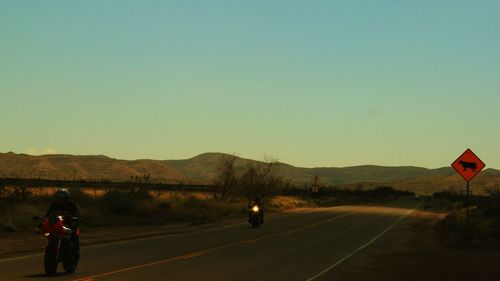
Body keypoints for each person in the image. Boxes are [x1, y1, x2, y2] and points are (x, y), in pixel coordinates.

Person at [45, 188, 80, 259]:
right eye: (59, 198)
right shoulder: (54, 204)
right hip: (57, 223)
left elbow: (76, 213)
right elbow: (48, 214)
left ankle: (75, 252)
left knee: (73, 235)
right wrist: (45, 220)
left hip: (68, 224)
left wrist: (75, 219)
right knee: (50, 233)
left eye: (63, 198)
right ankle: (52, 248)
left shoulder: (71, 204)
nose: (61, 200)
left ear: (67, 198)